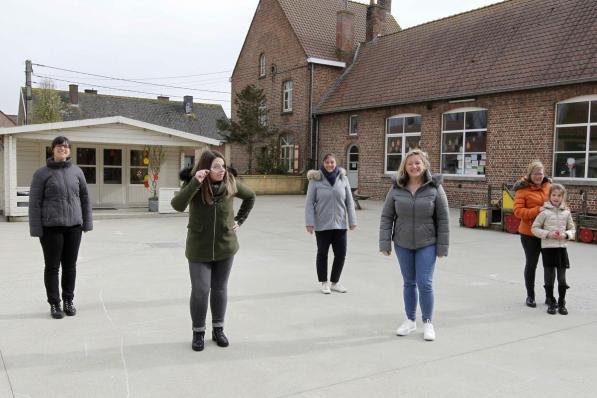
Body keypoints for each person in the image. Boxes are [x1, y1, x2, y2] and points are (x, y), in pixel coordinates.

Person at [171, 150, 255, 352]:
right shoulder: (196, 183)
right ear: (206, 168)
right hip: (199, 248)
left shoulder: (230, 182)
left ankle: (218, 330)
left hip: (226, 246)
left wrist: (239, 221)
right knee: (200, 291)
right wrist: (195, 182)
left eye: (223, 166)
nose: (221, 170)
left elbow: (250, 196)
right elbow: (177, 205)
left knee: (220, 289)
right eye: (216, 166)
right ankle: (198, 332)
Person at [379, 149, 449, 341]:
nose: (414, 166)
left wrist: (443, 247)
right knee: (409, 283)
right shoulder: (396, 188)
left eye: (418, 163)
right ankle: (410, 320)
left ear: (424, 165)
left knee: (425, 283)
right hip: (403, 242)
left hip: (427, 242)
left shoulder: (435, 188)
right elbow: (387, 216)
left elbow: (443, 219)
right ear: (405, 166)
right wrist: (385, 242)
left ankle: (428, 322)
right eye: (410, 163)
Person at [28, 136, 93, 319]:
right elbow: (35, 203)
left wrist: (87, 222)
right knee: (52, 267)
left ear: (69, 151)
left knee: (70, 266)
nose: (62, 148)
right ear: (52, 150)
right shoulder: (41, 174)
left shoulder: (77, 172)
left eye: (65, 146)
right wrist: (36, 229)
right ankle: (54, 304)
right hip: (51, 228)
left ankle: (68, 300)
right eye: (59, 146)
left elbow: (85, 199)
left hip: (74, 227)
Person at [305, 153, 357, 294]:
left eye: (332, 162)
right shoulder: (315, 180)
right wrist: (309, 222)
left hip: (340, 224)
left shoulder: (343, 179)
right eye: (327, 162)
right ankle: (324, 282)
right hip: (322, 224)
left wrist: (352, 221)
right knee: (322, 253)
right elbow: (309, 203)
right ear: (323, 163)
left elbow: (349, 202)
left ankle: (335, 282)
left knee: (341, 254)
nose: (329, 165)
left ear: (336, 163)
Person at [531, 184, 575, 315]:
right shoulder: (544, 212)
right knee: (549, 277)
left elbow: (572, 229)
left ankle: (562, 303)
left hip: (561, 249)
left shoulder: (567, 212)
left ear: (563, 197)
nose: (556, 198)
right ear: (549, 196)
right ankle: (551, 301)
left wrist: (566, 234)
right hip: (548, 248)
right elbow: (534, 228)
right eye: (553, 195)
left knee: (562, 278)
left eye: (559, 195)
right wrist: (547, 234)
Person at [513, 160, 551, 308]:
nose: (538, 176)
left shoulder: (549, 186)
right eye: (536, 174)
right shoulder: (522, 190)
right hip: (529, 234)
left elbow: (559, 201)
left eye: (541, 174)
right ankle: (530, 295)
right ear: (530, 174)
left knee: (550, 265)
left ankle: (549, 296)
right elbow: (518, 212)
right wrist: (537, 210)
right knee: (531, 264)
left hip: (548, 233)